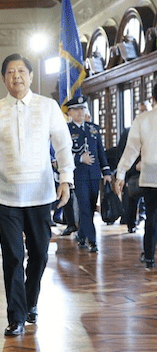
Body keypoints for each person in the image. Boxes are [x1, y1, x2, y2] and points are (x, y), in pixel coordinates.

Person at [0, 53, 74, 337]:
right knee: (13, 257)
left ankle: (31, 301)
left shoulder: (48, 106)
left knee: (40, 254)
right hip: (5, 195)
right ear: (3, 79)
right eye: (10, 72)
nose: (16, 76)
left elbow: (63, 144)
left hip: (41, 194)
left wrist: (66, 180)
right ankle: (16, 315)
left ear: (31, 76)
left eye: (21, 71)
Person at [115, 85, 157, 268]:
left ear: (153, 98)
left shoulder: (143, 119)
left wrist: (121, 174)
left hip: (150, 175)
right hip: (149, 174)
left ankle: (149, 257)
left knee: (152, 217)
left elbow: (131, 150)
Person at [62, 96, 111, 252]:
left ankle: (82, 235)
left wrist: (107, 172)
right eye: (76, 109)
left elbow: (101, 152)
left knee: (89, 208)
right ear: (69, 112)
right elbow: (61, 154)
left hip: (94, 174)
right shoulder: (65, 130)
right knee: (84, 206)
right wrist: (79, 158)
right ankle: (93, 241)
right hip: (79, 174)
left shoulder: (93, 128)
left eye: (82, 108)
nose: (80, 112)